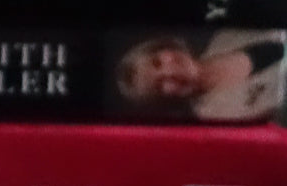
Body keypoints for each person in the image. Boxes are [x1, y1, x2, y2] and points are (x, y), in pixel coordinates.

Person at [115, 29, 285, 121]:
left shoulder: (224, 36)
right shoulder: (219, 118)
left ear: (164, 47)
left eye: (157, 62)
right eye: (159, 85)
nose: (170, 72)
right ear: (164, 100)